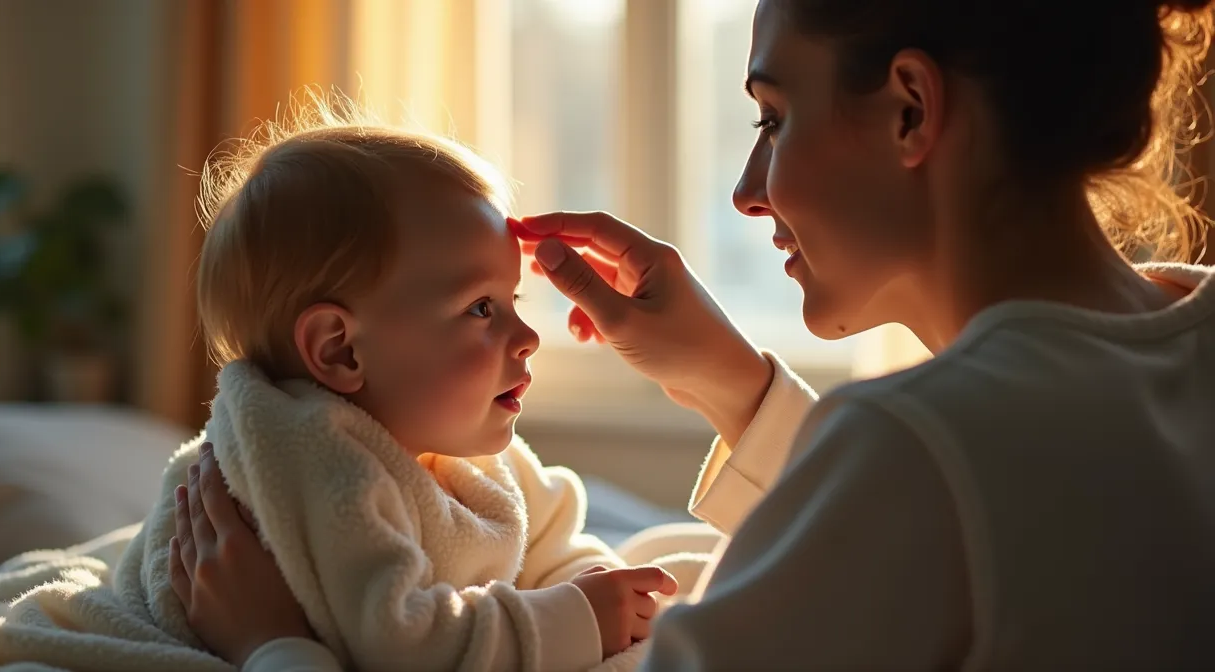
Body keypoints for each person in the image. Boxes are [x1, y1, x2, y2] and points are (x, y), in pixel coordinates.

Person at [171, 0, 1215, 668]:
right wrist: (732, 382)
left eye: (771, 116)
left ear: (909, 109)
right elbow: (968, 519)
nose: (746, 192)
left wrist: (272, 648)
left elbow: (930, 492)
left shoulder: (911, 449)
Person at [161, 100, 680, 672]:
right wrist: (576, 618)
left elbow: (549, 539)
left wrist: (588, 580)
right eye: (482, 308)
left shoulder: (457, 448)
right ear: (340, 348)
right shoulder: (318, 465)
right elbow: (406, 647)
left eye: (514, 301)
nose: (528, 336)